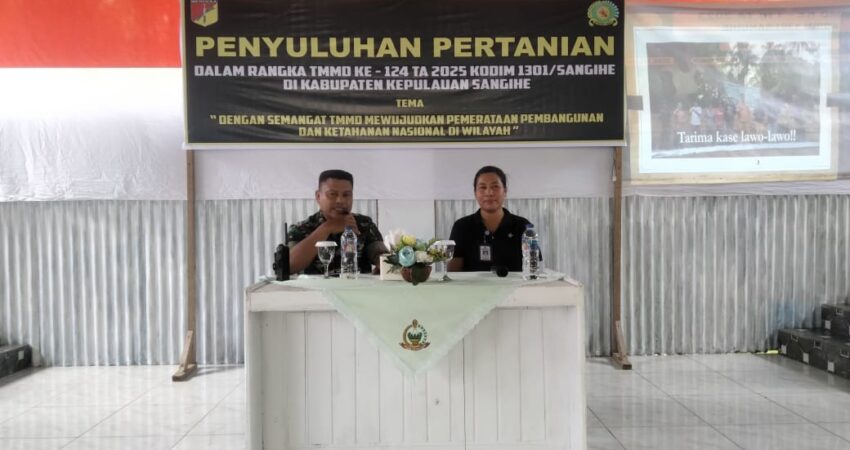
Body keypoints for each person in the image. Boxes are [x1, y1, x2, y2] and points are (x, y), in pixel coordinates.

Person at [287, 170, 387, 275]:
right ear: (318, 196)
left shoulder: (364, 224)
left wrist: (383, 265)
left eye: (346, 195)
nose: (340, 200)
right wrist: (327, 228)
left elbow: (380, 254)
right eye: (332, 194)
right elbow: (289, 266)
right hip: (315, 286)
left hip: (356, 285)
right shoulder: (301, 228)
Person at [448, 166, 535, 272]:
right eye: (482, 187)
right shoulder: (461, 227)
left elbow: (534, 268)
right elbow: (453, 273)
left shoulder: (522, 226)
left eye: (495, 187)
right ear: (475, 193)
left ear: (505, 191)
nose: (489, 192)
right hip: (473, 283)